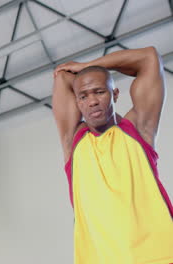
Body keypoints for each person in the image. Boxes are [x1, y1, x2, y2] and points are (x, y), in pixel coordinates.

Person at [52, 46, 173, 263]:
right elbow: (62, 77)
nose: (93, 101)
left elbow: (149, 58)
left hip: (159, 255)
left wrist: (85, 67)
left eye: (100, 92)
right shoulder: (74, 142)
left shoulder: (138, 130)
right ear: (78, 103)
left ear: (115, 94)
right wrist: (88, 77)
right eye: (84, 96)